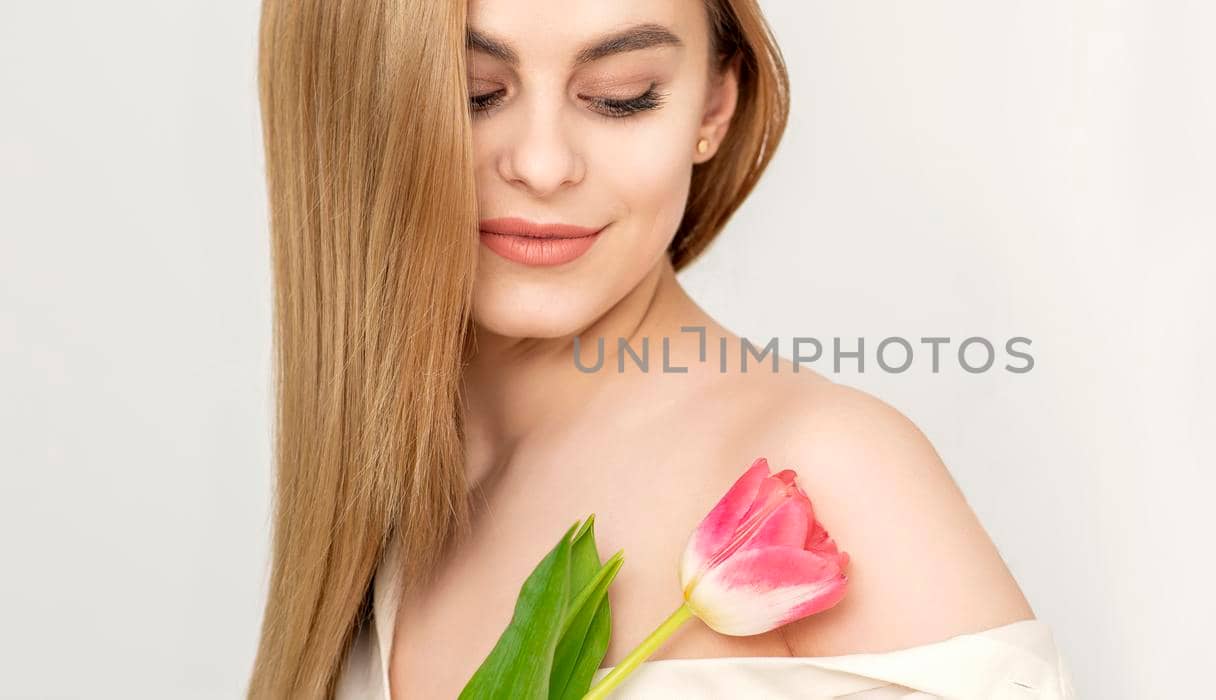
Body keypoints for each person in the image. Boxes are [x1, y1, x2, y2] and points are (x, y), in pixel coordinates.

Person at [249, 0, 1071, 697]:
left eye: (621, 96)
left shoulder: (830, 475)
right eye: (470, 95)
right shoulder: (380, 502)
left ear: (712, 109)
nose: (540, 164)